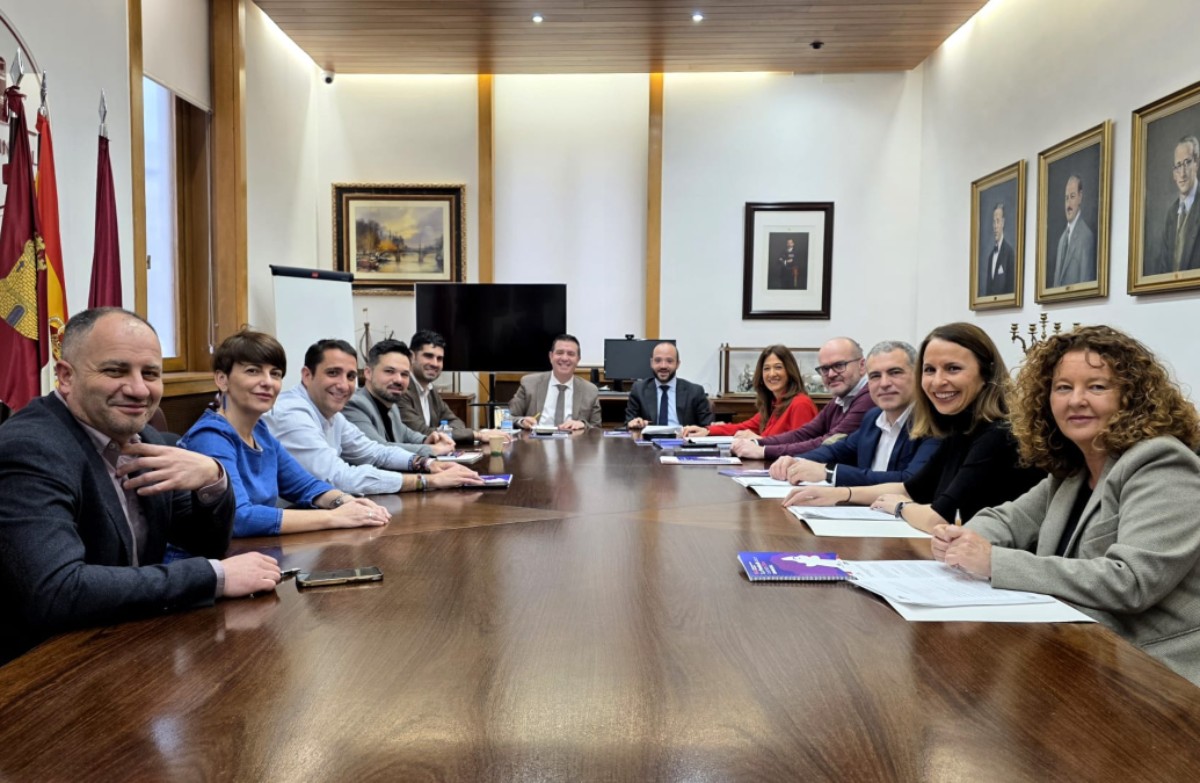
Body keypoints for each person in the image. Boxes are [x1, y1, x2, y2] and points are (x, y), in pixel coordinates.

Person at [0, 308, 280, 665]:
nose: (137, 389)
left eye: (150, 373)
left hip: (127, 644)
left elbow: (204, 543)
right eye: (115, 370)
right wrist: (214, 576)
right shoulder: (31, 448)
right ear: (66, 377)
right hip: (41, 669)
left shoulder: (144, 436)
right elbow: (58, 591)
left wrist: (213, 478)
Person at [932, 326, 1200, 685]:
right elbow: (1006, 520)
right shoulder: (1074, 470)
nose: (1076, 400)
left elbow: (1132, 581)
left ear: (1131, 398)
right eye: (1063, 387)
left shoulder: (1161, 461)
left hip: (1152, 671)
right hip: (1081, 649)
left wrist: (994, 562)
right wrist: (961, 541)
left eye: (1097, 386)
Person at [789, 323, 1042, 530]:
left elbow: (938, 519)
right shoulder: (961, 426)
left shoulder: (998, 433)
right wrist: (839, 494)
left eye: (953, 369)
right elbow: (910, 488)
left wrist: (901, 507)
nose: (938, 381)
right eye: (929, 370)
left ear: (986, 373)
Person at [181, 329, 391, 537]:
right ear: (222, 380)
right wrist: (336, 517)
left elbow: (305, 486)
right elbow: (239, 518)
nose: (268, 382)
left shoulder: (260, 432)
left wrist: (347, 502)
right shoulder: (210, 436)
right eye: (253, 371)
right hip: (209, 564)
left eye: (275, 374)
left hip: (254, 554)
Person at [264, 339, 483, 494]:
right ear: (307, 375)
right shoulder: (293, 413)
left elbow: (373, 452)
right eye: (333, 373)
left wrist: (425, 464)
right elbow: (339, 478)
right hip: (283, 524)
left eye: (350, 376)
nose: (343, 385)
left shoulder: (331, 413)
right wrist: (426, 481)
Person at [776, 341, 940, 490]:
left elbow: (909, 481)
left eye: (895, 372)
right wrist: (795, 461)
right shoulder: (873, 418)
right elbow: (836, 451)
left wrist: (829, 473)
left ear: (918, 376)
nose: (884, 383)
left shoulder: (933, 423)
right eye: (875, 376)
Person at [730, 337, 873, 460]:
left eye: (839, 365)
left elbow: (828, 442)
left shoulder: (868, 398)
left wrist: (764, 450)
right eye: (824, 368)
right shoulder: (838, 401)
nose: (830, 374)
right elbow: (804, 433)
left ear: (862, 366)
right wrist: (757, 443)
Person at [344, 338, 456, 456]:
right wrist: (431, 450)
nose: (399, 380)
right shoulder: (354, 404)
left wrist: (427, 439)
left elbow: (405, 433)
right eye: (389, 371)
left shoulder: (391, 406)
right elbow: (377, 448)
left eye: (404, 374)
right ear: (368, 373)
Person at [681, 345, 818, 440]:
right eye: (766, 369)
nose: (772, 374)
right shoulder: (773, 404)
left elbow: (801, 447)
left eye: (778, 367)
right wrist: (707, 431)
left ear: (790, 371)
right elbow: (744, 427)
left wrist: (759, 440)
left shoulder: (800, 404)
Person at [398, 330, 506, 444]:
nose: (435, 363)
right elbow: (421, 433)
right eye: (428, 356)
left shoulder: (431, 389)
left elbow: (456, 422)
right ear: (411, 357)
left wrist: (442, 432)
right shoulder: (401, 389)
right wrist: (477, 435)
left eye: (439, 358)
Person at [509, 334, 602, 430]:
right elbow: (509, 417)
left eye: (570, 354)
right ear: (551, 356)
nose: (565, 358)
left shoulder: (590, 391)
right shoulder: (529, 383)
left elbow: (596, 429)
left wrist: (583, 424)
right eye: (559, 353)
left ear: (578, 360)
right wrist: (522, 421)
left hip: (574, 442)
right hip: (536, 442)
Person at [625, 342, 713, 429]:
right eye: (658, 360)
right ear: (651, 363)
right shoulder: (639, 390)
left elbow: (707, 428)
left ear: (677, 364)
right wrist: (634, 423)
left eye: (669, 361)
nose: (663, 366)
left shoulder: (695, 391)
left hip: (682, 440)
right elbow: (628, 423)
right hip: (650, 441)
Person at [1149, 136, 1200, 275]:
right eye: (1178, 166)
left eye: (1187, 163)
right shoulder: (1171, 214)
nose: (1182, 173)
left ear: (1197, 164)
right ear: (1173, 174)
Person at [1050, 174, 1096, 287]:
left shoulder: (1086, 238)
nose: (1068, 204)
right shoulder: (1062, 240)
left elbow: (1085, 284)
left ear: (1080, 197)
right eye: (1066, 198)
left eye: (1072, 196)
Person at [979, 203, 1015, 297]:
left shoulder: (1009, 253)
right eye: (994, 222)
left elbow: (1011, 290)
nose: (995, 226)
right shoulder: (991, 257)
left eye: (998, 221)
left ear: (1003, 223)